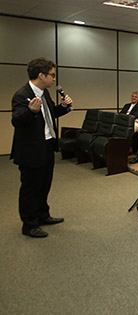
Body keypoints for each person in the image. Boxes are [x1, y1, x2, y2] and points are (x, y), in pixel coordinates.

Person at [11, 57, 73, 238]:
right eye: (52, 75)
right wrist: (30, 111)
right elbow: (16, 120)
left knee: (44, 184)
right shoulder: (21, 95)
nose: (54, 79)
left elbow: (51, 113)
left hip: (46, 145)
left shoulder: (44, 93)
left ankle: (43, 215)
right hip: (30, 150)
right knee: (30, 188)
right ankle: (29, 224)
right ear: (41, 75)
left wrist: (64, 107)